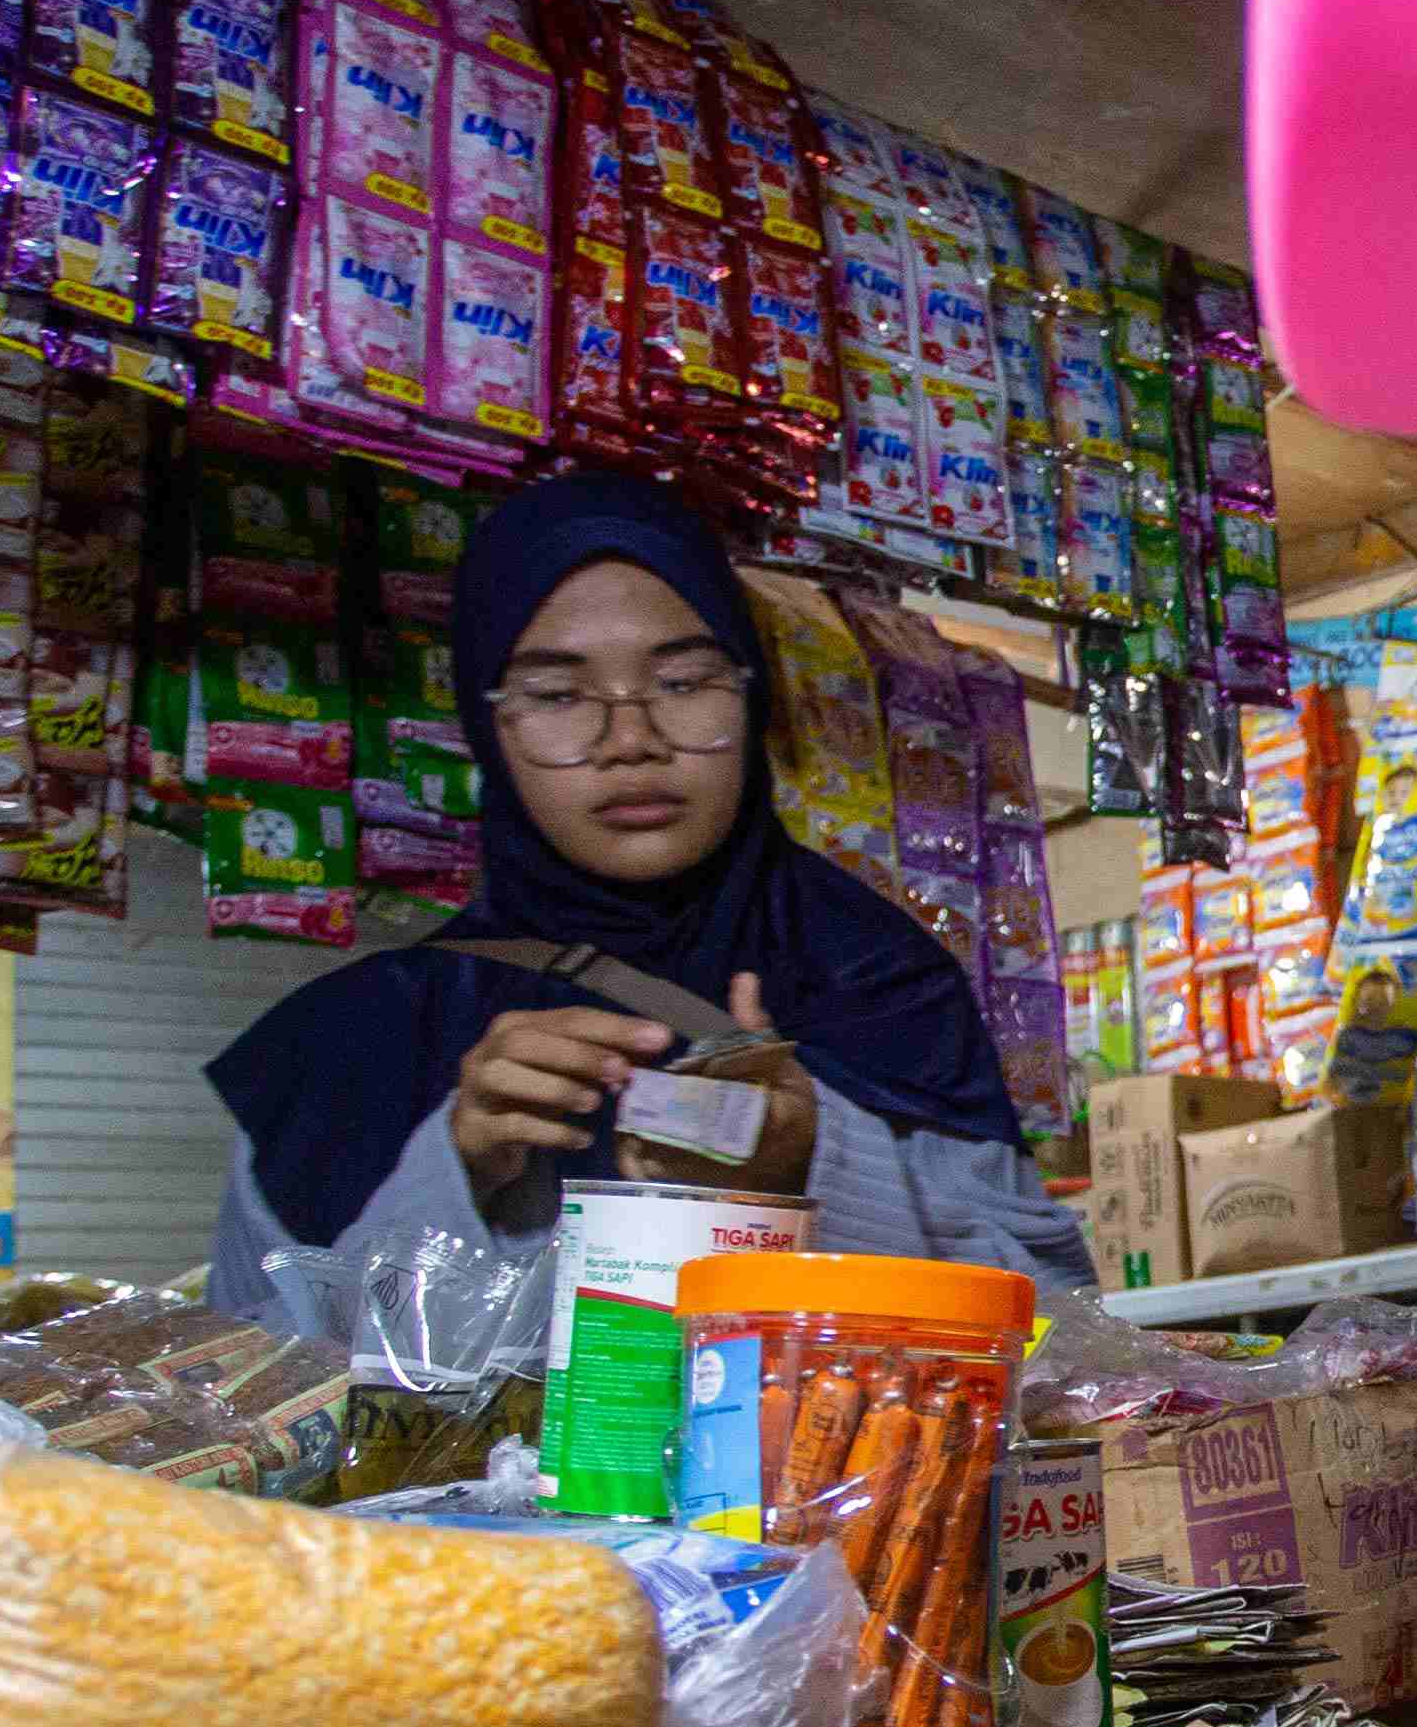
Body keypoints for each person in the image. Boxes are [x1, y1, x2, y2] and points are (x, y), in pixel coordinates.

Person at [207, 464, 1084, 1324]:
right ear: (487, 725)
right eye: (556, 693)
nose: (629, 739)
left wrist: (815, 1170)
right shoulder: (355, 1044)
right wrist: (458, 1173)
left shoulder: (880, 983)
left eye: (682, 682)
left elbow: (1066, 1336)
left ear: (750, 696)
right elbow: (249, 1406)